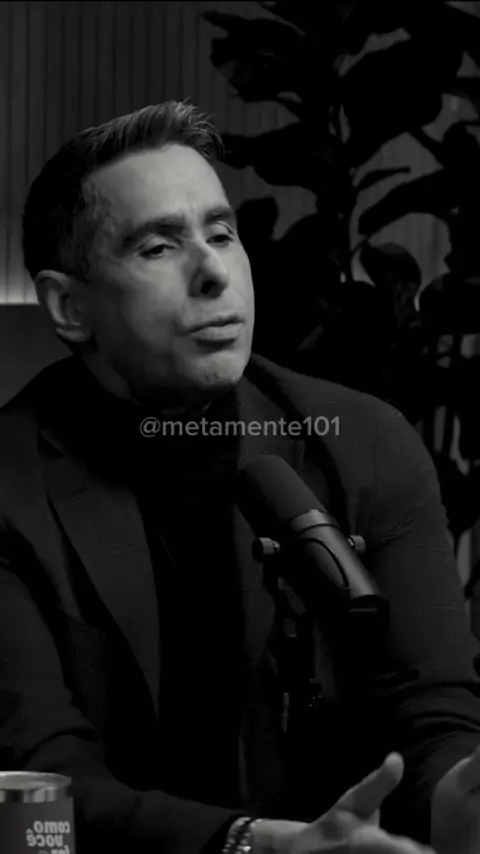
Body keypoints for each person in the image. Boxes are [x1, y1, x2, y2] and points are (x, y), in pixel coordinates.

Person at [0, 101, 479, 854]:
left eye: (222, 234)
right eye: (159, 247)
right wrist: (252, 844)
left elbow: (433, 711)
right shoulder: (10, 483)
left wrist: (459, 798)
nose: (215, 273)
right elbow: (35, 796)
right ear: (69, 306)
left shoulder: (366, 442)